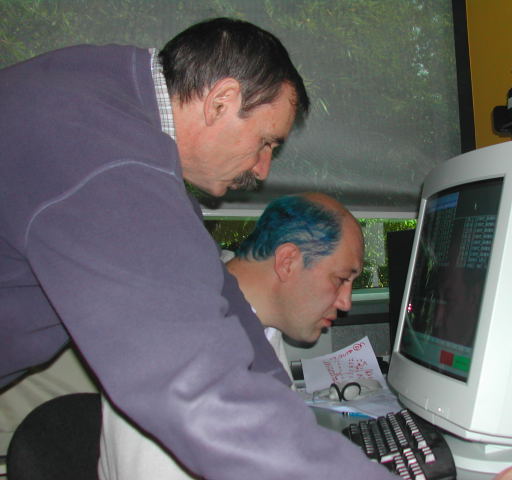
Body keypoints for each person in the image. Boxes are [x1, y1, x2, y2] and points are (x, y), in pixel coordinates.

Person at [0, 17, 400, 480]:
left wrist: (289, 413)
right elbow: (195, 389)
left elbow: (222, 295)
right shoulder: (110, 161)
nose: (264, 170)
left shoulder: (111, 108)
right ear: (222, 101)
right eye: (266, 143)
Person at [98, 191, 365, 479]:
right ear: (287, 261)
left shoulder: (264, 325)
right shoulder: (176, 341)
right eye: (341, 279)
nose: (345, 302)